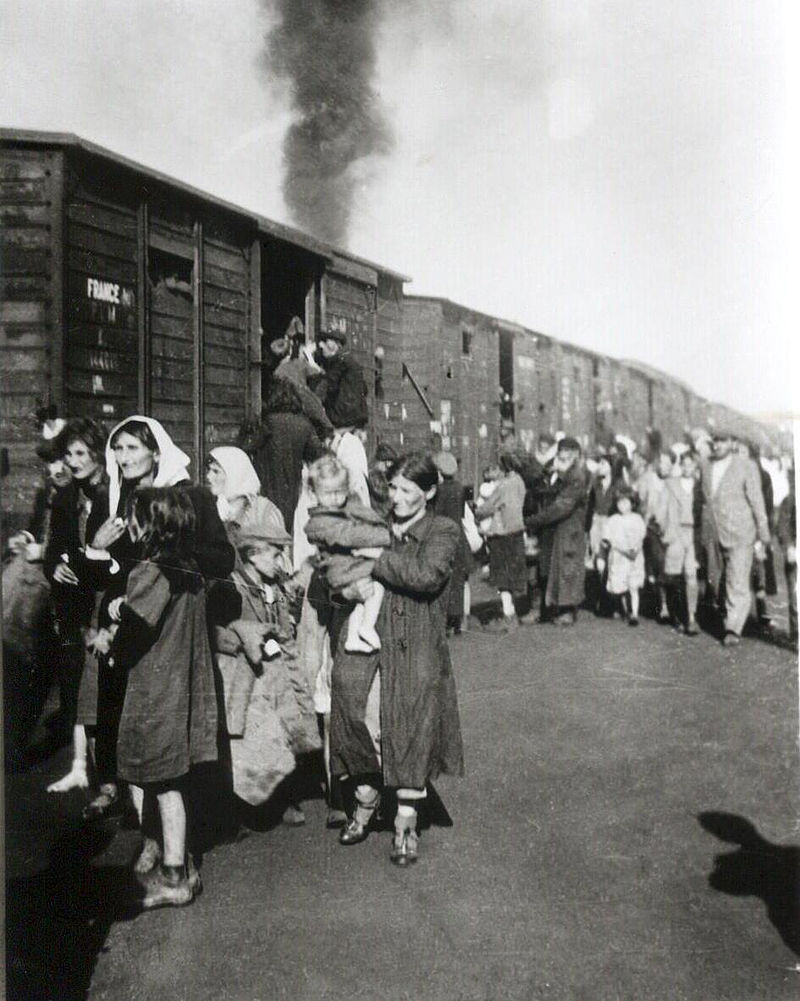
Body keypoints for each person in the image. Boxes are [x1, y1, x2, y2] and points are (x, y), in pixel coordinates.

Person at [82, 416, 234, 821]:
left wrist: (173, 561)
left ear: (156, 451)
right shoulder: (110, 498)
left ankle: (180, 832)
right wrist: (95, 549)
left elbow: (222, 558)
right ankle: (146, 824)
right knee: (123, 718)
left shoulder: (191, 496)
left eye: (132, 447)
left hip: (170, 622)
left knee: (171, 728)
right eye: (117, 448)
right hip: (124, 620)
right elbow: (95, 578)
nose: (123, 456)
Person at [330, 451, 464, 866]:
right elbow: (336, 571)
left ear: (429, 492)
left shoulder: (443, 529)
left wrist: (376, 559)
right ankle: (367, 795)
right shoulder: (377, 524)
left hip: (416, 643)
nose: (398, 497)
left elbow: (427, 576)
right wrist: (345, 589)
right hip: (368, 640)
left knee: (408, 727)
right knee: (357, 715)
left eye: (408, 490)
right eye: (393, 488)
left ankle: (406, 819)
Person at [98, 487, 218, 909]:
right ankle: (177, 861)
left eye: (135, 518)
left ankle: (175, 875)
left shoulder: (150, 571)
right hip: (182, 684)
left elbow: (137, 628)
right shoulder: (191, 570)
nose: (130, 525)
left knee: (160, 780)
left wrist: (113, 640)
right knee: (169, 778)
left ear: (151, 526)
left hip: (155, 687)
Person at [213, 509, 320, 820]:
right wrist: (242, 637)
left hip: (278, 676)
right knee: (255, 741)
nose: (279, 562)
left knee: (285, 734)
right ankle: (248, 806)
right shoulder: (231, 588)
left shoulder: (275, 586)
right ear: (253, 554)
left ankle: (284, 798)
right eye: (275, 555)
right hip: (248, 680)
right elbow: (218, 631)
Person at [43, 418, 110, 794]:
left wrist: (82, 560)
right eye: (69, 454)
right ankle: (86, 769)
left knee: (101, 685)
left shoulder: (111, 494)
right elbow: (54, 547)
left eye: (80, 453)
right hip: (75, 603)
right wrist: (56, 566)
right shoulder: (67, 497)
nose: (72, 461)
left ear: (98, 455)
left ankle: (109, 779)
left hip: (102, 597)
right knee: (77, 684)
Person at [304, 455, 391, 654]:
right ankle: (366, 627)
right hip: (343, 569)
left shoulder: (342, 511)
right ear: (313, 493)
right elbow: (350, 535)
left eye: (340, 492)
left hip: (348, 567)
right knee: (376, 585)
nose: (335, 498)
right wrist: (385, 537)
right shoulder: (320, 521)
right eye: (328, 493)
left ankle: (354, 636)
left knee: (362, 599)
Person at [699, 429, 770, 646]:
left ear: (732, 442)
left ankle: (733, 628)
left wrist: (763, 533)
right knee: (714, 579)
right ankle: (725, 614)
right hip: (712, 531)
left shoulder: (746, 466)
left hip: (741, 532)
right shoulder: (706, 465)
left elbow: (757, 500)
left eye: (722, 441)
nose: (717, 445)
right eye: (715, 441)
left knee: (737, 579)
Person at [239, 380, 327, 535]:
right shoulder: (304, 424)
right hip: (293, 485)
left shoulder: (266, 422)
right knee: (289, 525)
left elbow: (245, 448)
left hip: (267, 482)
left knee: (268, 522)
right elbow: (318, 455)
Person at [525, 437, 589, 626]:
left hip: (567, 529)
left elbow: (562, 507)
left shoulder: (576, 476)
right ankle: (544, 610)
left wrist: (532, 521)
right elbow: (532, 483)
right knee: (543, 569)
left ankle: (567, 611)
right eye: (560, 450)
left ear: (576, 455)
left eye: (568, 452)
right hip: (550, 529)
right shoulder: (552, 471)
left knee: (566, 569)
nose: (562, 454)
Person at [477, 451, 527, 632]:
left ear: (503, 467)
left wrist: (477, 511)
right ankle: (514, 613)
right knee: (513, 576)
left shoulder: (503, 486)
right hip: (517, 533)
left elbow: (487, 507)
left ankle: (508, 616)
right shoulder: (520, 481)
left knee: (502, 579)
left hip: (501, 534)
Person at [656, 450, 703, 635]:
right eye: (684, 464)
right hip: (674, 532)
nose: (687, 468)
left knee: (691, 576)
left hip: (692, 535)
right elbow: (661, 509)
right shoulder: (670, 484)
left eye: (691, 465)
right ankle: (677, 616)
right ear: (680, 466)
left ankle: (691, 617)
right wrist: (664, 530)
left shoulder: (699, 487)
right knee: (674, 577)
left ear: (695, 467)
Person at [432, 450, 473, 634]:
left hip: (444, 537)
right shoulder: (459, 488)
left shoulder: (439, 491)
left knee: (445, 580)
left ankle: (447, 622)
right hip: (459, 537)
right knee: (459, 580)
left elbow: (436, 514)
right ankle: (461, 621)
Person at [601, 485, 646, 625]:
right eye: (620, 502)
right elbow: (607, 538)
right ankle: (625, 610)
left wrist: (636, 548)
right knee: (620, 587)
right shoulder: (613, 519)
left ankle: (634, 614)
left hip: (633, 557)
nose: (622, 505)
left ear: (632, 503)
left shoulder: (637, 519)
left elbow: (641, 536)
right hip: (619, 558)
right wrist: (607, 543)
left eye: (626, 502)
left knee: (633, 586)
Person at [314, 328, 369, 432]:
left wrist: (315, 369)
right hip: (356, 419)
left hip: (342, 419)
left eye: (326, 342)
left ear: (336, 345)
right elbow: (364, 389)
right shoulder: (350, 361)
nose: (321, 345)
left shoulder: (340, 362)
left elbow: (328, 386)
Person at [775, 473, 797, 644]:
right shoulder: (790, 500)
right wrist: (789, 546)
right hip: (795, 552)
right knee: (796, 596)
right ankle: (797, 633)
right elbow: (782, 525)